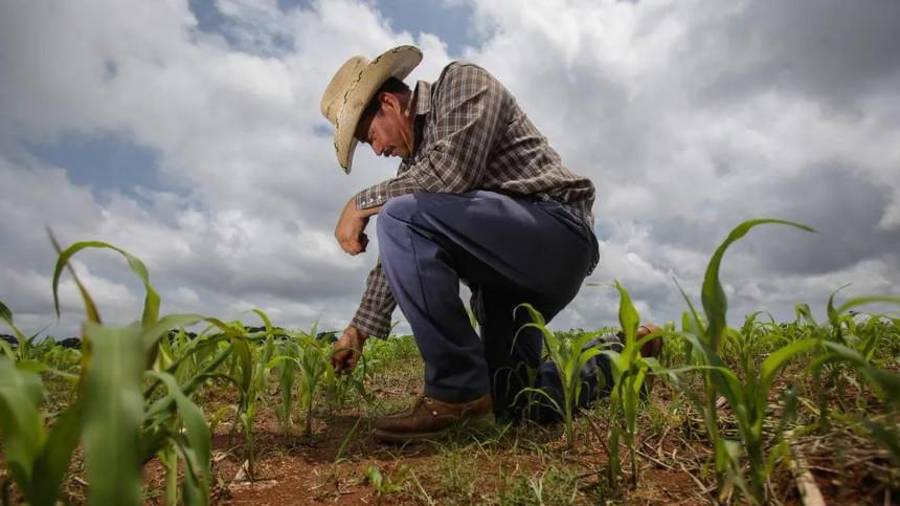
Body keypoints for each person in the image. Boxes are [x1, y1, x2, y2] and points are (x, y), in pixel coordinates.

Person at [320, 45, 658, 443]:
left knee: (396, 213)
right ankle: (621, 357)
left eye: (369, 136)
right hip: (501, 284)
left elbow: (449, 175)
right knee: (513, 400)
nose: (377, 149)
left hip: (555, 234)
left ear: (390, 104)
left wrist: (360, 204)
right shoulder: (411, 173)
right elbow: (403, 249)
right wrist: (357, 331)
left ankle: (455, 391)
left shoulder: (462, 84)